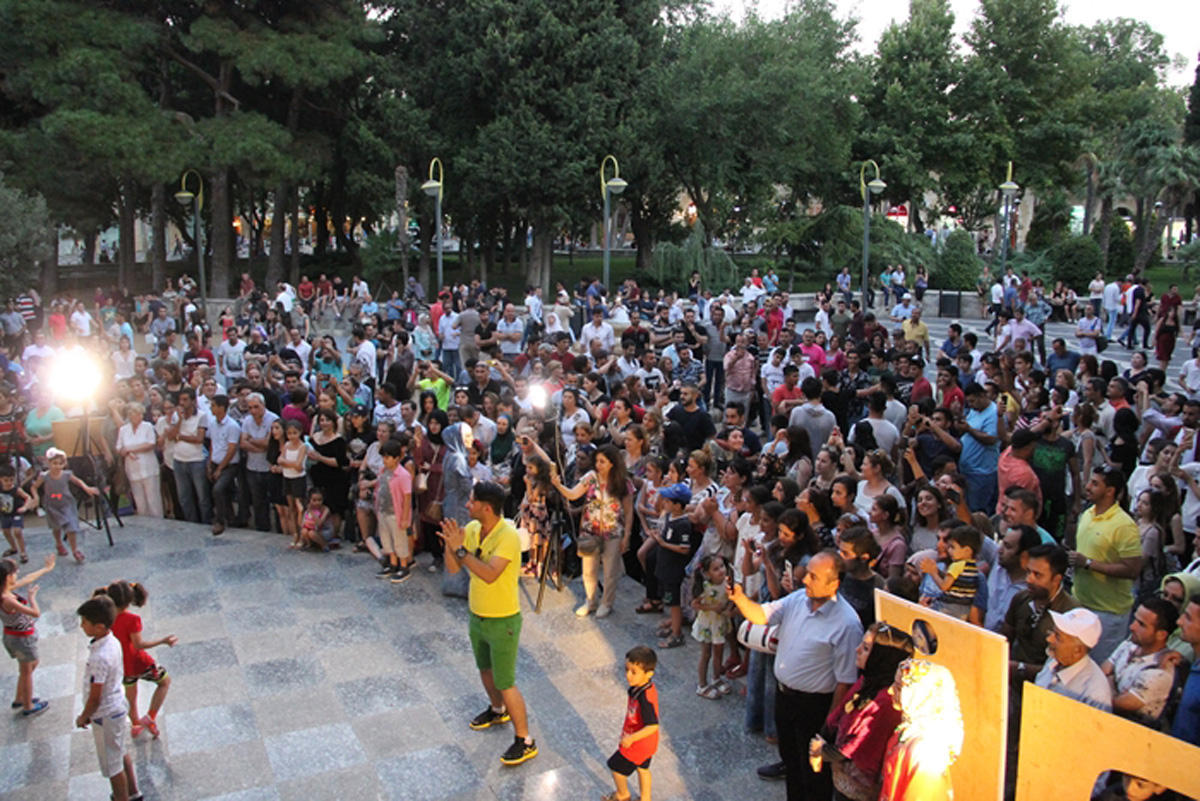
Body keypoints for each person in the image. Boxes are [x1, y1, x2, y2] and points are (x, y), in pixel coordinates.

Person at [730, 550, 863, 801]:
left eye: (813, 576)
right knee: (791, 761)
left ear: (833, 583)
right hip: (785, 698)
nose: (805, 580)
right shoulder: (798, 599)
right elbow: (762, 615)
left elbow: (845, 680)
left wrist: (828, 725)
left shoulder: (847, 624)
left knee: (813, 773)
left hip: (814, 706)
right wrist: (739, 599)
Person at [437, 481, 538, 766]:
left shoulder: (508, 536)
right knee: (485, 671)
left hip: (503, 619)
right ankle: (497, 710)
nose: (467, 505)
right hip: (477, 615)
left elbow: (490, 573)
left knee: (506, 681)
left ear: (487, 507)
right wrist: (450, 545)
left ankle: (525, 740)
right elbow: (455, 568)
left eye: (471, 501)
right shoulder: (471, 530)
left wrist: (460, 552)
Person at [809, 623, 914, 801]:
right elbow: (841, 711)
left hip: (861, 790)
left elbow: (860, 744)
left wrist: (823, 751)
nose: (857, 650)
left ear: (882, 657)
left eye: (865, 648)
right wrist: (824, 735)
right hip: (843, 778)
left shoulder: (886, 701)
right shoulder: (867, 681)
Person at [1068, 466, 1143, 662]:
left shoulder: (1124, 526)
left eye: (1095, 483)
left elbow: (1132, 569)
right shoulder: (1087, 514)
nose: (1088, 486)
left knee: (1097, 666)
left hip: (1108, 614)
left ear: (1110, 491)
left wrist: (1089, 564)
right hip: (1080, 603)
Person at [552, 444, 634, 618]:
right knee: (588, 569)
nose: (598, 465)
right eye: (597, 461)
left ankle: (607, 602)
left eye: (602, 462)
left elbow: (628, 511)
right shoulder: (590, 477)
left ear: (612, 463)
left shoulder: (623, 482)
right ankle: (591, 600)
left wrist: (627, 535)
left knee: (610, 571)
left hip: (613, 531)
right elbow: (573, 494)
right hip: (590, 529)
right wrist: (559, 486)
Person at [75, 594, 141, 801]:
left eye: (84, 622)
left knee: (113, 767)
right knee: (120, 751)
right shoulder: (112, 640)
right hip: (118, 707)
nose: (81, 626)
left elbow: (95, 697)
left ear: (99, 627)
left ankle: (122, 797)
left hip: (105, 714)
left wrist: (84, 716)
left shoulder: (99, 658)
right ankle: (133, 792)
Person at [95, 581, 177, 739]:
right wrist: (162, 641)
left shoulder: (106, 617)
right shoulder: (132, 619)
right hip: (140, 663)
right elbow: (138, 644)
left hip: (122, 666)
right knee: (164, 682)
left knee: (131, 698)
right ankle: (150, 717)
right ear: (129, 601)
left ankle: (136, 725)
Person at [877, 660, 963, 801]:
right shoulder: (909, 729)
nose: (890, 690)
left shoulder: (926, 751)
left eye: (899, 687)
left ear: (921, 694)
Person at [1100, 597, 1177, 727]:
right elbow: (1102, 671)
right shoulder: (1131, 643)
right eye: (1135, 619)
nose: (1132, 626)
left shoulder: (1160, 672)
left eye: (1141, 624)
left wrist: (1110, 678)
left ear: (1161, 635)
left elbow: (1118, 704)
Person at [0, 555, 55, 716]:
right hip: (21, 638)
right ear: (9, 577)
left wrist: (46, 569)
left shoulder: (5, 591)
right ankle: (28, 705)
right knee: (27, 670)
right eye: (15, 573)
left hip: (13, 637)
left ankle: (20, 698)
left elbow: (27, 578)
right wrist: (31, 598)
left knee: (28, 667)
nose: (17, 576)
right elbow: (35, 613)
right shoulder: (8, 599)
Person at [605, 646, 660, 801]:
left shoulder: (645, 698)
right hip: (649, 743)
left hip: (639, 743)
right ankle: (645, 798)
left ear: (649, 674)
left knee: (615, 767)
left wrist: (631, 738)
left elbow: (653, 725)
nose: (628, 676)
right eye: (627, 670)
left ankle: (622, 795)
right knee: (643, 769)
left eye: (634, 672)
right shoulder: (641, 688)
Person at [27, 447, 101, 562]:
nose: (57, 466)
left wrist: (87, 488)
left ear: (64, 464)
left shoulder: (66, 474)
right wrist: (35, 497)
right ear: (49, 463)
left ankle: (75, 550)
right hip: (52, 505)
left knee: (71, 527)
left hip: (66, 503)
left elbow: (77, 481)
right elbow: (34, 487)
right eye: (54, 463)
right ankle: (59, 543)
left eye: (60, 464)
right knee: (56, 527)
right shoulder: (44, 476)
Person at [1033, 606, 1113, 711]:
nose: (1049, 639)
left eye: (1057, 636)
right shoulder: (1055, 660)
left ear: (1077, 651)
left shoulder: (1094, 693)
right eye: (1052, 632)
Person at [651, 482, 694, 648]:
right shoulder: (670, 517)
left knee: (674, 603)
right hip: (664, 566)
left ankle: (677, 634)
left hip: (673, 570)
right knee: (669, 601)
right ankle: (673, 627)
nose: (664, 503)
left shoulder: (683, 524)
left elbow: (684, 549)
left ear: (678, 505)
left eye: (668, 501)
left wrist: (663, 543)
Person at [692, 554, 733, 699]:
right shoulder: (705, 587)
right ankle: (702, 685)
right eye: (716, 569)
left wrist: (728, 608)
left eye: (722, 566)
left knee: (719, 652)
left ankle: (716, 678)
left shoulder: (726, 582)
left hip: (720, 623)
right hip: (708, 624)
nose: (721, 570)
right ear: (707, 573)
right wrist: (711, 607)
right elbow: (695, 604)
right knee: (706, 654)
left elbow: (729, 598)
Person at [918, 525, 981, 621]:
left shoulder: (956, 566)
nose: (949, 550)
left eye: (953, 547)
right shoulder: (973, 567)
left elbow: (944, 587)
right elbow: (954, 581)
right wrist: (936, 570)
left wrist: (932, 572)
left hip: (948, 607)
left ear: (967, 550)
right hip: (964, 610)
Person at [374, 439, 413, 582]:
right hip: (383, 511)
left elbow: (407, 498)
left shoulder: (403, 475)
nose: (384, 460)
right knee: (386, 539)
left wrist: (405, 518)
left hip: (396, 513)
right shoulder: (383, 471)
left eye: (387, 457)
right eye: (383, 457)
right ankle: (392, 563)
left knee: (399, 540)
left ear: (396, 458)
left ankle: (404, 566)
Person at [115, 403, 162, 519]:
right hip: (132, 469)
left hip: (148, 468)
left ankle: (159, 525)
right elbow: (119, 447)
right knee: (140, 502)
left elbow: (151, 444)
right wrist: (126, 452)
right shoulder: (123, 429)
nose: (138, 416)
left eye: (140, 414)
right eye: (134, 414)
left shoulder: (148, 426)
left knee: (153, 501)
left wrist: (131, 449)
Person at [0, 464, 35, 564]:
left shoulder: (16, 489)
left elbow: (28, 497)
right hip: (5, 513)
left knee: (17, 531)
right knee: (6, 532)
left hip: (16, 512)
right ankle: (13, 547)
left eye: (11, 480)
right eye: (6, 480)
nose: (9, 483)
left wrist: (25, 507)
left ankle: (23, 552)